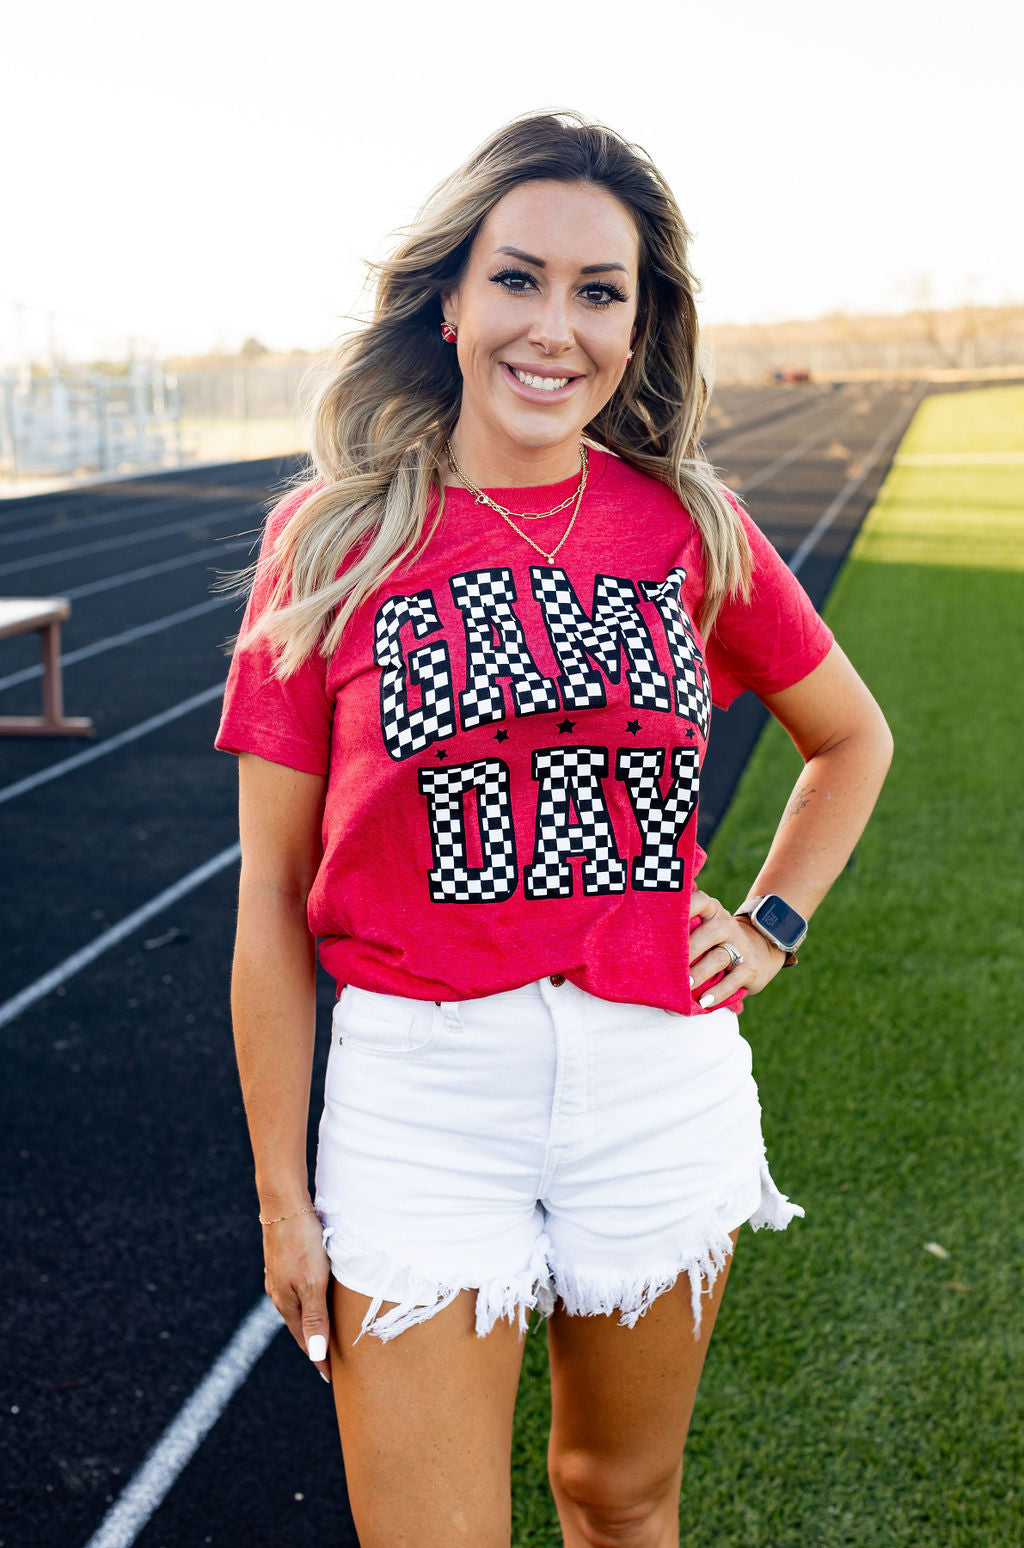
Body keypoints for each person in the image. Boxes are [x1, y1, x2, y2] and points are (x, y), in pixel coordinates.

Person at [215, 110, 893, 1548]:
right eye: (519, 278)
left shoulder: (691, 527)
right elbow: (268, 900)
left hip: (659, 1088)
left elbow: (852, 737)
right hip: (420, 1105)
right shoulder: (332, 540)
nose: (556, 327)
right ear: (450, 298)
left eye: (602, 292)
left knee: (620, 1498)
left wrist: (770, 922)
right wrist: (284, 1193)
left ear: (641, 332)